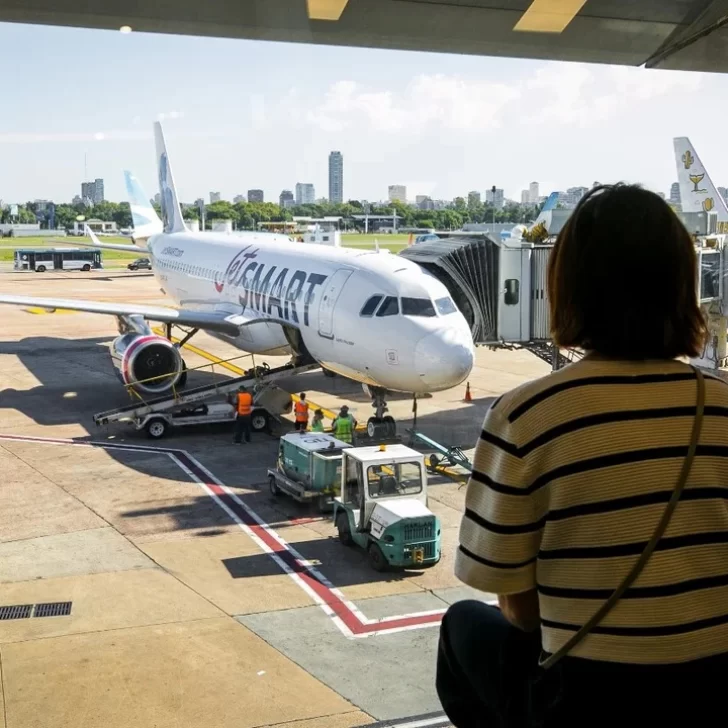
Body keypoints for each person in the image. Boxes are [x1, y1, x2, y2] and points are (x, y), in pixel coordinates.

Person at [437, 184, 728, 727]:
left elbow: (519, 610)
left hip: (592, 697)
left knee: (462, 627)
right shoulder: (722, 405)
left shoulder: (526, 415)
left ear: (564, 288)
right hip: (713, 686)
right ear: (684, 287)